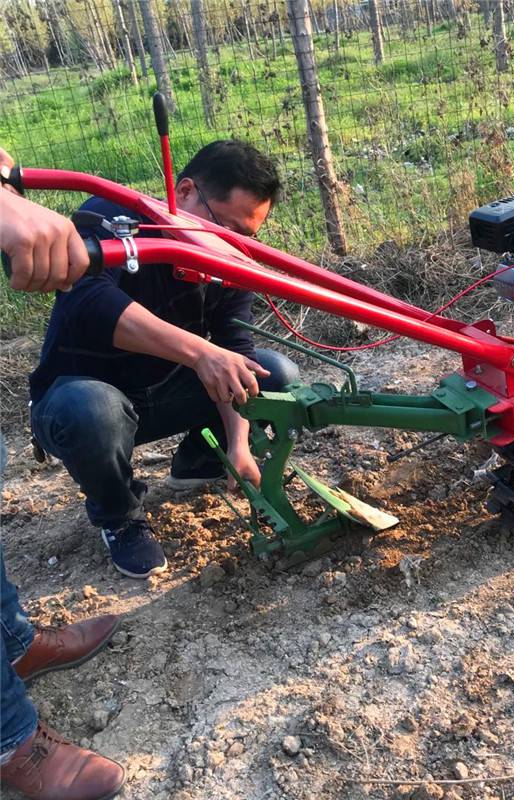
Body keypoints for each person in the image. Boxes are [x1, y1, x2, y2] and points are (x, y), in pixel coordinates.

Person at [28, 140, 300, 580]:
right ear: (185, 191)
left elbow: (236, 345)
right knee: (92, 410)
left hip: (167, 393)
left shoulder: (227, 255)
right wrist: (201, 352)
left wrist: (239, 444)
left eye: (246, 236)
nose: (230, 244)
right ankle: (119, 517)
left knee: (274, 375)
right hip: (82, 402)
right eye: (225, 226)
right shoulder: (110, 219)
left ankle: (200, 462)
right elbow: (90, 302)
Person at [1, 147, 126, 799]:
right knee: (90, 406)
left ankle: (13, 644)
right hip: (88, 394)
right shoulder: (113, 222)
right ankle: (9, 740)